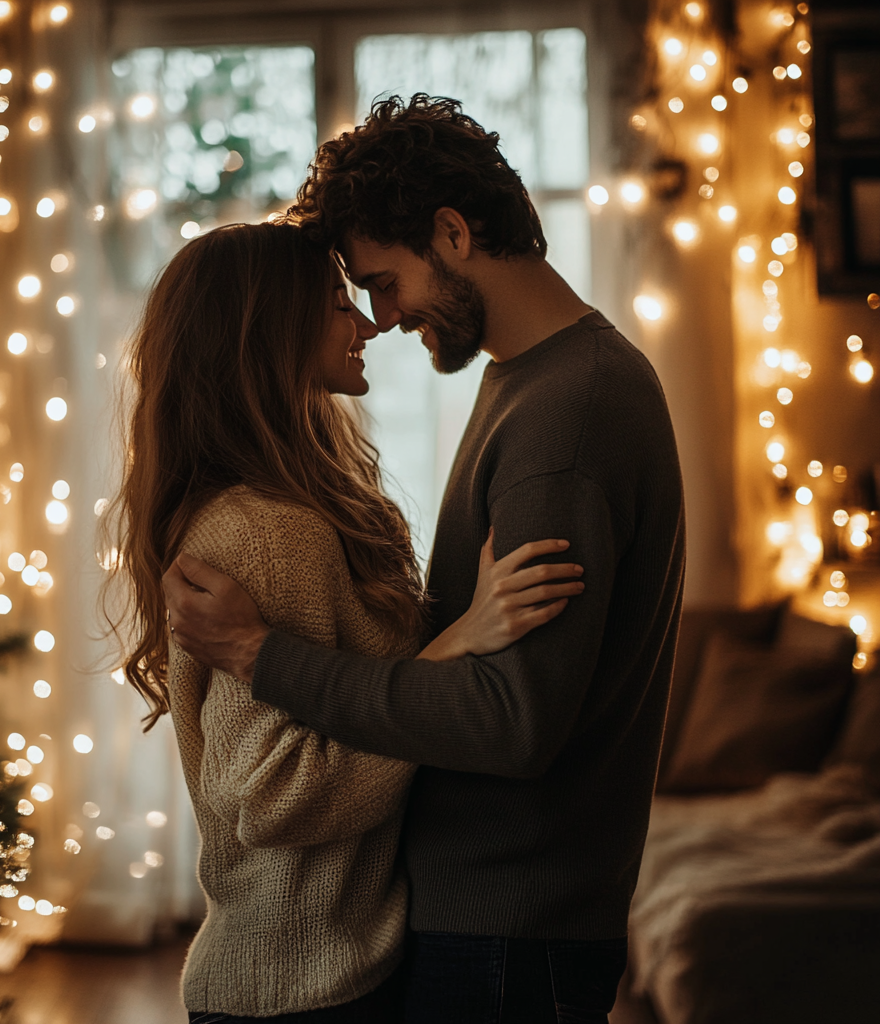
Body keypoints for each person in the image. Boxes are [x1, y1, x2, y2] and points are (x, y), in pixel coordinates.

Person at [163, 96, 687, 1024]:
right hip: (482, 923)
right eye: (355, 294)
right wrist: (450, 638)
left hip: (509, 928)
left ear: (452, 233)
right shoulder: (529, 383)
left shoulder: (570, 411)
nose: (384, 317)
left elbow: (509, 719)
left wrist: (265, 656)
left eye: (382, 280)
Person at [105, 220, 586, 1022]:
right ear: (268, 333)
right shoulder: (263, 531)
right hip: (297, 992)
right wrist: (453, 650)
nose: (368, 324)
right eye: (338, 304)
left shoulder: (298, 503)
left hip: (335, 972)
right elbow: (274, 795)